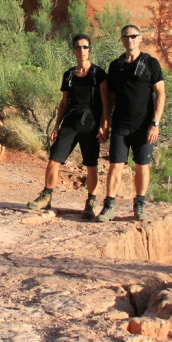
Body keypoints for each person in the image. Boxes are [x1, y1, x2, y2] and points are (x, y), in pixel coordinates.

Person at [27, 34, 110, 218]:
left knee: (91, 164)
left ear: (90, 50)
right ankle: (46, 197)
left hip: (91, 123)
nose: (82, 51)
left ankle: (90, 203)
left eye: (85, 47)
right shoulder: (69, 75)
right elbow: (64, 103)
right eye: (78, 47)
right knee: (54, 159)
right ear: (73, 51)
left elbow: (105, 102)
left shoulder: (99, 73)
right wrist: (56, 126)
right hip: (70, 122)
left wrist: (105, 125)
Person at [95, 25, 165, 222]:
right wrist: (105, 123)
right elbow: (110, 98)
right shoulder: (115, 65)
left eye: (133, 36)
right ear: (121, 40)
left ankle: (139, 205)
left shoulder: (151, 63)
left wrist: (156, 123)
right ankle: (109, 206)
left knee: (142, 165)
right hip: (121, 125)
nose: (130, 40)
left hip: (144, 126)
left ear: (140, 39)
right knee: (115, 166)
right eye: (126, 37)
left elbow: (161, 93)